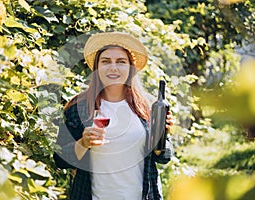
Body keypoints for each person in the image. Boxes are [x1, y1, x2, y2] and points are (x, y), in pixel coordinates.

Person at [53, 32, 174, 200]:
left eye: (121, 62)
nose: (113, 67)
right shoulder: (78, 107)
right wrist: (83, 143)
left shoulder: (149, 106)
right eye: (106, 61)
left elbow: (163, 157)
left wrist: (162, 134)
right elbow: (60, 159)